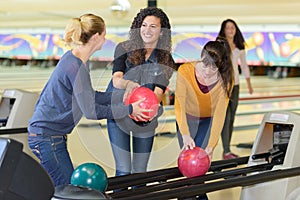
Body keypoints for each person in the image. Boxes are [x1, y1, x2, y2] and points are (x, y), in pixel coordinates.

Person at [27, 13, 150, 187]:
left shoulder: (76, 61)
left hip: (50, 136)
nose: (105, 38)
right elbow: (91, 111)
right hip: (46, 137)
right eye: (104, 34)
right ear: (95, 37)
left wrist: (122, 97)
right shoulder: (75, 66)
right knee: (67, 190)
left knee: (64, 189)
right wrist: (130, 110)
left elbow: (90, 96)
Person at [106, 7, 176, 179]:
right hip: (119, 112)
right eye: (144, 25)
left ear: (162, 32)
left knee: (140, 173)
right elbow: (117, 80)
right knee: (123, 170)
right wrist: (131, 85)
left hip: (144, 117)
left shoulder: (166, 60)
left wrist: (147, 111)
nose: (147, 30)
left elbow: (158, 94)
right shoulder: (123, 48)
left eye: (153, 26)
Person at [175, 40, 233, 200]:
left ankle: (193, 196)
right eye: (205, 65)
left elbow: (220, 114)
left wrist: (211, 145)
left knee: (200, 163)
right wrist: (185, 134)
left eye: (214, 68)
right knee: (188, 161)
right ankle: (189, 196)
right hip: (187, 119)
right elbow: (179, 106)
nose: (208, 71)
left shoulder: (226, 80)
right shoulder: (185, 71)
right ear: (201, 58)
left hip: (207, 121)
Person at [217, 19, 254, 160]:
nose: (230, 30)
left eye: (232, 28)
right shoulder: (220, 44)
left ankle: (227, 149)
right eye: (228, 28)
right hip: (222, 86)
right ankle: (226, 151)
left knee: (232, 117)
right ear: (224, 30)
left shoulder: (239, 46)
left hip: (236, 85)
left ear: (235, 30)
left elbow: (244, 66)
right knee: (225, 118)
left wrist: (249, 84)